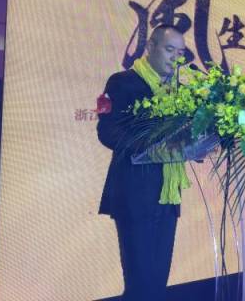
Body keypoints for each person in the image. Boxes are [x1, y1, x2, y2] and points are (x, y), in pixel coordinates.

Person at [97, 24, 187, 301]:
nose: (175, 58)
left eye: (180, 53)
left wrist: (194, 145)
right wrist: (150, 147)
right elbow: (107, 131)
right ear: (150, 47)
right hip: (134, 194)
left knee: (158, 281)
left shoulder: (179, 91)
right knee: (139, 283)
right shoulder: (122, 82)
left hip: (168, 196)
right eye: (169, 49)